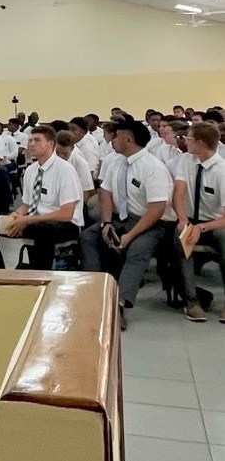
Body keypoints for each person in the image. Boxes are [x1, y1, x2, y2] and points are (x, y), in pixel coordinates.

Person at [80, 116, 175, 330]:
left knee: (137, 249)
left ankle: (119, 305)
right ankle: (95, 292)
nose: (112, 140)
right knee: (88, 236)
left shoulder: (153, 167)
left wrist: (130, 236)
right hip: (121, 218)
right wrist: (106, 223)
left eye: (117, 136)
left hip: (152, 223)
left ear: (129, 140)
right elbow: (105, 192)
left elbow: (156, 209)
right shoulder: (116, 162)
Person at [0, 125, 83, 270]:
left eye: (37, 140)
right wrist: (16, 215)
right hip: (34, 220)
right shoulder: (31, 170)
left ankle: (41, 272)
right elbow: (27, 204)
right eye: (30, 140)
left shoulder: (65, 170)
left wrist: (27, 220)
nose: (31, 144)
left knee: (43, 229)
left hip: (63, 225)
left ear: (50, 144)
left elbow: (66, 214)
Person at [172, 122, 225, 323]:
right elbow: (178, 192)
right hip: (191, 219)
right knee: (181, 237)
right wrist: (183, 220)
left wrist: (202, 227)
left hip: (215, 223)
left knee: (223, 236)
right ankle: (191, 300)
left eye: (189, 139)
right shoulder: (186, 160)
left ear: (201, 143)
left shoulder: (222, 171)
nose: (185, 141)